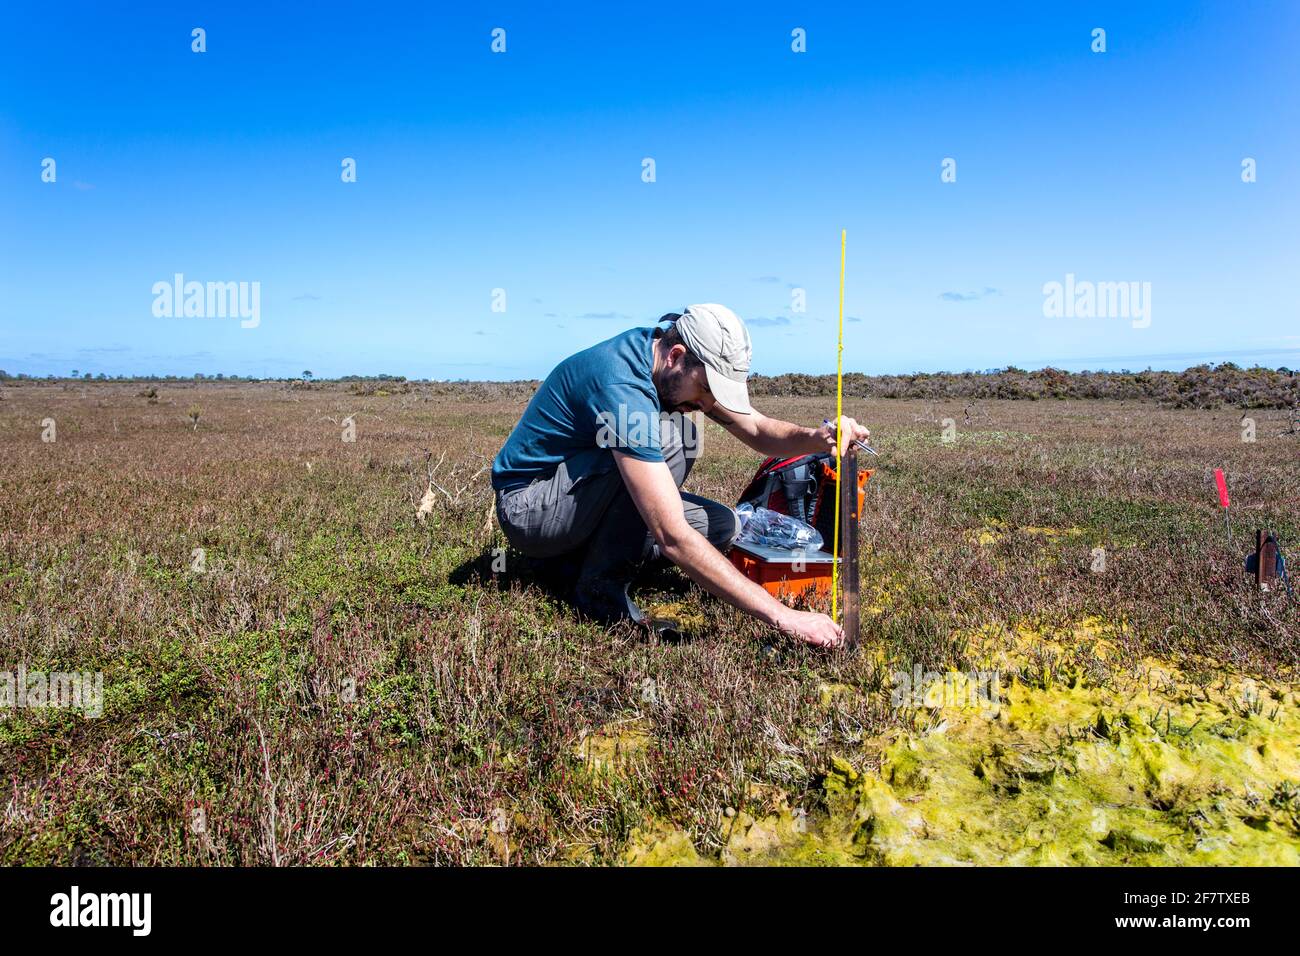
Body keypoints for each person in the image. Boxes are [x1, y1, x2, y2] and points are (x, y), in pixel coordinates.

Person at [490, 304, 870, 649]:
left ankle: (574, 564)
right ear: (676, 357)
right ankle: (599, 591)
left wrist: (816, 439)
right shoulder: (622, 387)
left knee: (722, 524)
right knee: (677, 436)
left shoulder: (668, 364)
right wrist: (785, 618)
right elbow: (672, 537)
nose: (707, 404)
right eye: (706, 390)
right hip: (530, 508)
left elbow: (754, 428)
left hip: (577, 497)